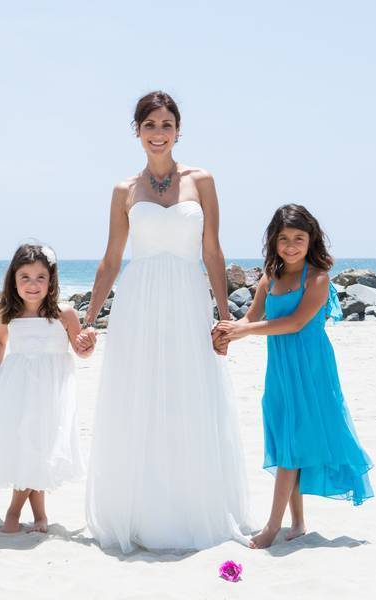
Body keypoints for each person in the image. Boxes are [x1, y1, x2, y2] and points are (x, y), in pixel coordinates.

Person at [82, 91, 250, 553]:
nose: (158, 133)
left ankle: (190, 507)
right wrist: (88, 321)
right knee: (140, 395)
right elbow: (111, 259)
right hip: (138, 301)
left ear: (178, 131)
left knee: (189, 394)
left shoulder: (203, 180)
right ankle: (143, 512)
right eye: (150, 125)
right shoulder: (124, 190)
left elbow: (213, 251)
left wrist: (225, 315)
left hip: (187, 296)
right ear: (137, 132)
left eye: (166, 125)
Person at [215, 204, 374, 549]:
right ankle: (298, 523)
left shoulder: (317, 278)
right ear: (273, 241)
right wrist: (227, 330)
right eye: (283, 238)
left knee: (291, 445)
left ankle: (272, 528)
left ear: (311, 239)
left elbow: (296, 322)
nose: (290, 245)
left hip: (311, 371)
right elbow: (250, 318)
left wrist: (246, 331)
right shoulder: (270, 278)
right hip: (280, 371)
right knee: (285, 439)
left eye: (298, 238)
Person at [0, 243, 91, 534]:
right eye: (25, 277)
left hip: (50, 391)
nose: (33, 285)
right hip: (17, 389)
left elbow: (80, 350)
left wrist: (87, 345)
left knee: (39, 447)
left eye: (40, 277)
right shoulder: (10, 314)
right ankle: (40, 516)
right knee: (27, 447)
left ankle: (14, 511)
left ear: (51, 280)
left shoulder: (64, 314)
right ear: (14, 280)